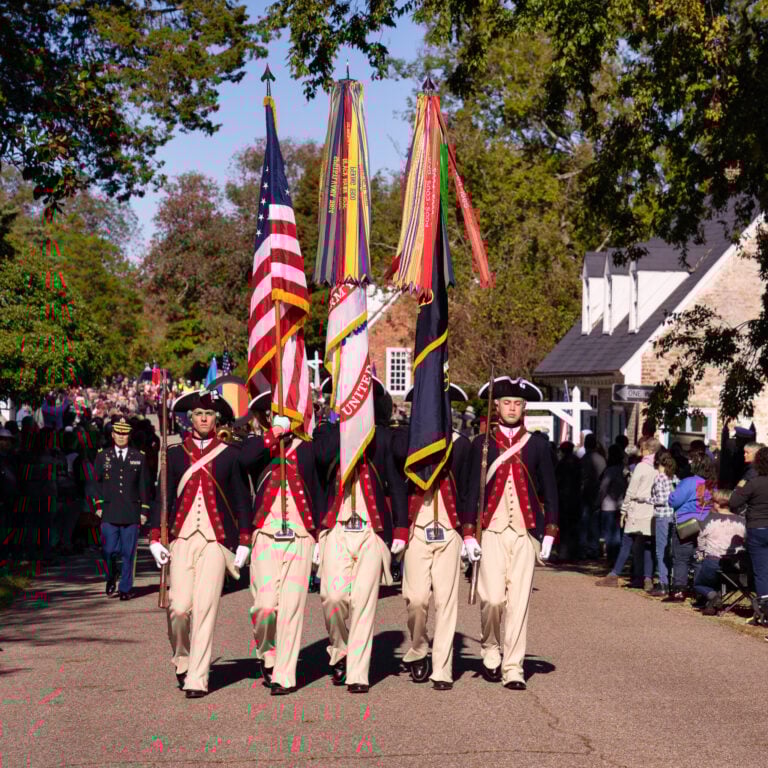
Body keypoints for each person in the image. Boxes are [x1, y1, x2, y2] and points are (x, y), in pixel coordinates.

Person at [148, 388, 251, 698]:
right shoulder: (175, 454)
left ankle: (198, 677)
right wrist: (155, 538)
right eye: (198, 414)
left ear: (215, 418)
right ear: (189, 418)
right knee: (178, 609)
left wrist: (244, 541)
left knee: (205, 608)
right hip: (181, 539)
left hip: (215, 542)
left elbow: (242, 501)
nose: (204, 418)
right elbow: (161, 499)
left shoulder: (231, 454)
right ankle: (183, 659)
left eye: (209, 414)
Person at [314, 379, 409, 694]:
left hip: (372, 529)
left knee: (364, 602)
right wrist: (346, 428)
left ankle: (357, 673)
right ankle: (339, 649)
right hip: (337, 527)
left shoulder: (383, 437)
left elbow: (396, 482)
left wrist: (400, 529)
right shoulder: (328, 433)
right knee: (334, 597)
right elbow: (322, 456)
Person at [465, 376, 558, 691]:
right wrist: (467, 534)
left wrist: (550, 532)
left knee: (519, 603)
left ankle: (513, 667)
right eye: (507, 402)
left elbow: (551, 491)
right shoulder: (482, 444)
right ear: (496, 406)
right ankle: (490, 648)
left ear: (524, 407)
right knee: (491, 600)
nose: (512, 408)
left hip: (524, 532)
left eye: (517, 403)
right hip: (491, 530)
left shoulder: (538, 445)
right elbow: (469, 493)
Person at [243, 391, 323, 695]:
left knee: (291, 607)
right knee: (265, 606)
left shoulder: (308, 448)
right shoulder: (257, 444)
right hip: (265, 532)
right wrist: (272, 435)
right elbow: (244, 461)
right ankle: (268, 653)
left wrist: (319, 534)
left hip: (301, 533)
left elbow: (318, 487)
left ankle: (284, 675)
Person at [397, 384, 472, 690]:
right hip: (417, 529)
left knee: (446, 601)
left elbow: (468, 492)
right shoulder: (406, 444)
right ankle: (418, 650)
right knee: (416, 600)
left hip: (450, 530)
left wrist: (469, 534)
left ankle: (442, 668)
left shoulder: (461, 445)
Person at [93, 416, 150, 599]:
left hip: (131, 511)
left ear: (129, 435)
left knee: (128, 552)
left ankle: (125, 588)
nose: (121, 436)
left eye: (124, 433)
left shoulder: (138, 457)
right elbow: (96, 482)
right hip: (109, 511)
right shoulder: (103, 455)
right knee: (108, 550)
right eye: (118, 433)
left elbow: (144, 486)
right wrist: (98, 504)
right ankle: (111, 575)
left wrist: (144, 510)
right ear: (112, 434)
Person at [596, 438, 660, 590]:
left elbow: (631, 490)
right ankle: (647, 578)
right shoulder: (657, 468)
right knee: (647, 546)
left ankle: (614, 574)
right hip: (650, 511)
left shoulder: (641, 467)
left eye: (642, 448)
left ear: (647, 450)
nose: (639, 451)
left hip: (637, 509)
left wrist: (624, 510)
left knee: (627, 542)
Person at [666, 453, 717, 602]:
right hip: (705, 524)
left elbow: (675, 501)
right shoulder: (712, 484)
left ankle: (679, 591)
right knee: (699, 558)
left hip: (686, 524)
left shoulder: (689, 482)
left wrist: (671, 494)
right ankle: (701, 592)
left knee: (681, 558)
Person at [729, 446, 768, 624]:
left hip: (757, 528)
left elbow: (734, 501)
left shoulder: (753, 482)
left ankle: (764, 611)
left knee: (761, 572)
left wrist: (740, 486)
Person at [693, 489, 746, 615]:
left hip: (713, 561)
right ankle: (714, 600)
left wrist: (701, 553)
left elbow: (701, 539)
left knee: (698, 584)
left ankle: (712, 596)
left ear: (717, 503)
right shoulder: (742, 521)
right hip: (735, 564)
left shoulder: (710, 519)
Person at [649, 451, 678, 596]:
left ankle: (663, 583)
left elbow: (661, 499)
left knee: (660, 550)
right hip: (673, 516)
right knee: (669, 550)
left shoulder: (659, 477)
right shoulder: (673, 477)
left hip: (662, 516)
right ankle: (670, 581)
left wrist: (647, 500)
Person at [597, 444, 627, 562]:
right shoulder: (625, 469)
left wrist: (598, 501)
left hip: (608, 505)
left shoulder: (610, 471)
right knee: (618, 533)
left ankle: (612, 559)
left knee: (610, 535)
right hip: (621, 504)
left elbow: (603, 488)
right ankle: (617, 558)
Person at [578, 433, 606, 559]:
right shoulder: (601, 459)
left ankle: (584, 548)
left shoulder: (584, 459)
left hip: (585, 494)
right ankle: (593, 548)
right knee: (594, 522)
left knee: (585, 522)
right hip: (597, 494)